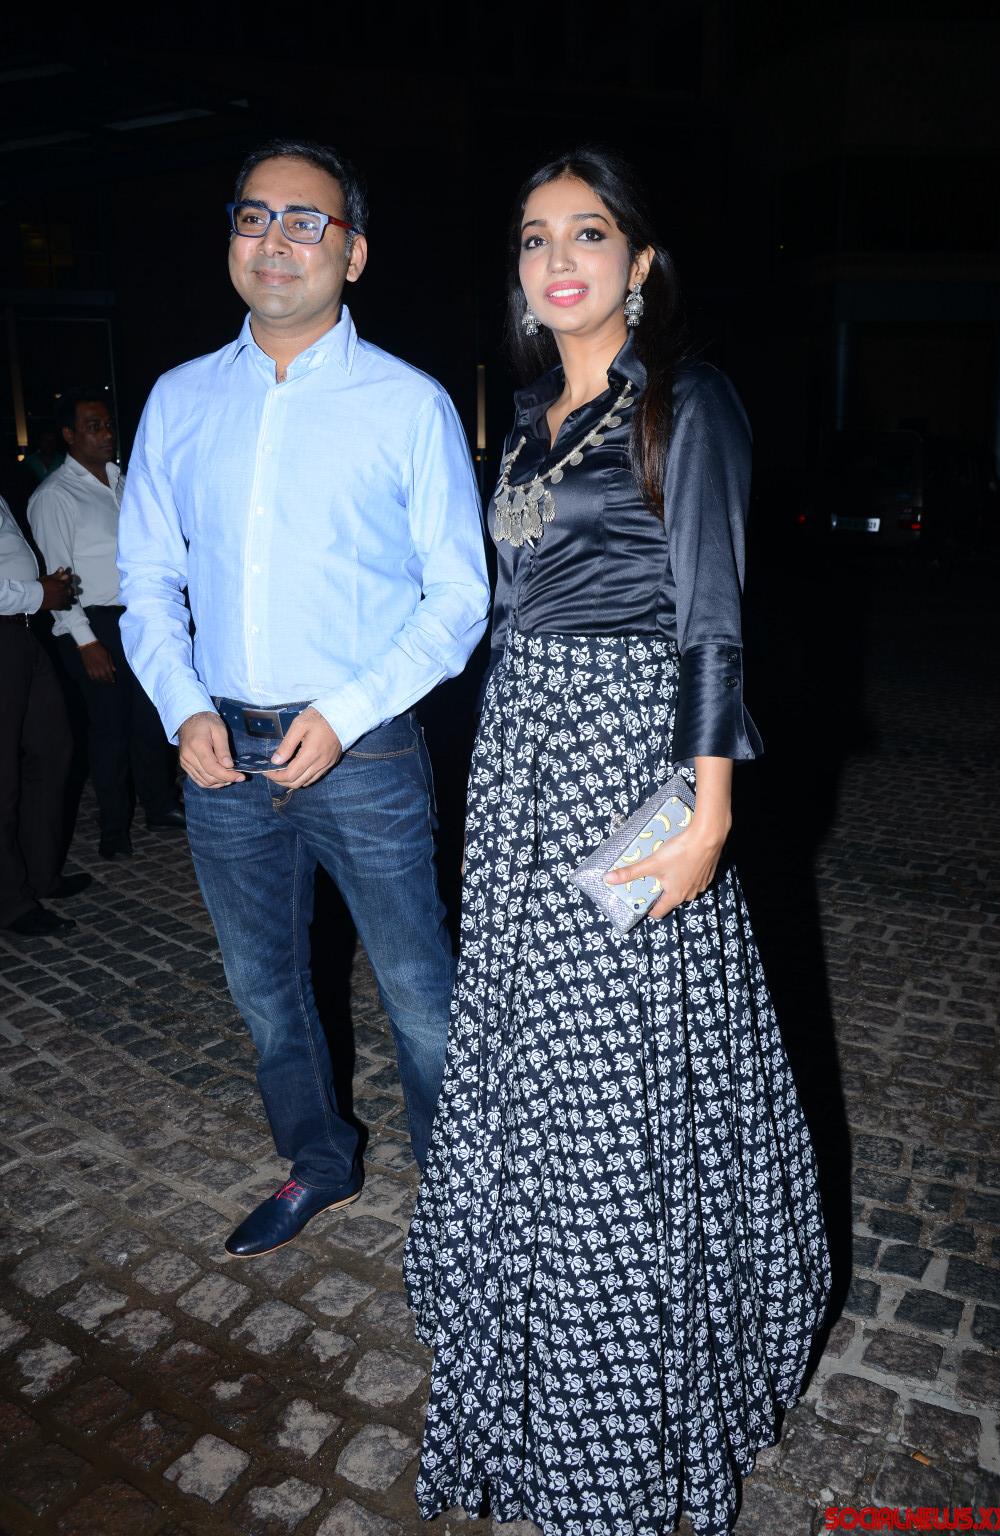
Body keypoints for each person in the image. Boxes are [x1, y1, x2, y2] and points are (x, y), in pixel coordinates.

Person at [403, 149, 832, 1536]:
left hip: (629, 759)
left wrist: (709, 810)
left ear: (639, 263)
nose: (557, 259)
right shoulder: (528, 420)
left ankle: (621, 1398)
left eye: (587, 234)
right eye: (534, 238)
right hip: (524, 766)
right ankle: (530, 1344)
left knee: (616, 1085)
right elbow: (498, 601)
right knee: (530, 1062)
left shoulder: (687, 404)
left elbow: (713, 617)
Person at [116, 138, 489, 1260]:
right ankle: (319, 1163)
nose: (273, 240)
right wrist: (183, 706)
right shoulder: (180, 399)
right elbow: (148, 579)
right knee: (265, 991)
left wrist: (350, 707)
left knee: (420, 993)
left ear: (353, 253)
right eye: (254, 216)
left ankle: (463, 1202)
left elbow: (458, 597)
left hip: (362, 751)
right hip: (219, 750)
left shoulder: (408, 404)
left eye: (304, 221)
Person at [28, 392, 183, 859]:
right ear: (69, 435)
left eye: (108, 424)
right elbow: (56, 578)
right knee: (109, 728)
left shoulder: (123, 481)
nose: (107, 433)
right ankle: (114, 827)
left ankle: (159, 804)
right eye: (93, 426)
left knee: (149, 717)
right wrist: (85, 641)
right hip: (94, 623)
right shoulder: (54, 496)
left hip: (137, 616)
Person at [0, 494, 92, 937]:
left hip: (19, 631)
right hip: (11, 626)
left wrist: (40, 590)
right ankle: (10, 902)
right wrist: (38, 593)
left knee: (53, 750)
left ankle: (39, 873)